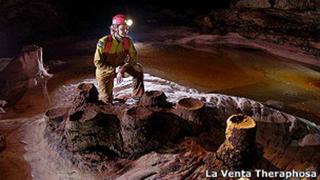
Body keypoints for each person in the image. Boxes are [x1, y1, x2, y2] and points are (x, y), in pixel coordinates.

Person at [94, 14, 144, 103]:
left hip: (120, 68)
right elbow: (97, 62)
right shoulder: (104, 42)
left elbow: (134, 58)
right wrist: (114, 70)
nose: (126, 31)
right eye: (122, 29)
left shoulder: (128, 41)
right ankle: (108, 98)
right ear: (115, 28)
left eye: (127, 28)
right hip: (104, 72)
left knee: (138, 68)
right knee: (106, 101)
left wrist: (123, 68)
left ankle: (138, 98)